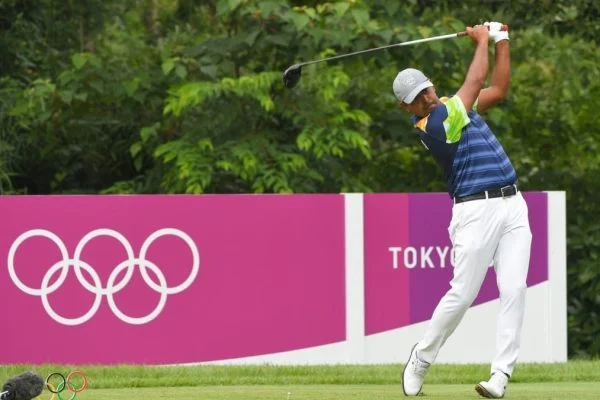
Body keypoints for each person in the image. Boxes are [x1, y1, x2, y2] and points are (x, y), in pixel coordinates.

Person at [393, 22, 532, 398]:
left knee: (514, 289)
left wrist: (502, 41)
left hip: (513, 205)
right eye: (417, 98)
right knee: (463, 295)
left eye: (426, 89)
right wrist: (482, 40)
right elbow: (474, 81)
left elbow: (498, 89)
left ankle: (500, 375)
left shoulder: (455, 107)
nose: (426, 98)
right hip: (474, 213)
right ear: (406, 107)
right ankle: (422, 357)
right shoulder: (435, 124)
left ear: (431, 85)